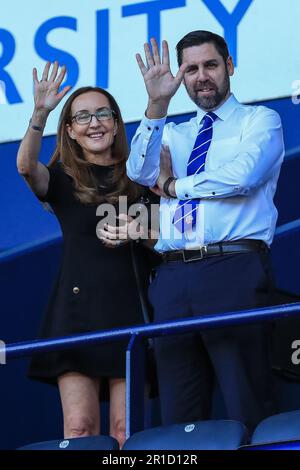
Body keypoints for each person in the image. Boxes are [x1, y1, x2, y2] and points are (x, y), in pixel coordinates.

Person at [126, 30, 284, 432]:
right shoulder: (174, 134)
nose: (201, 76)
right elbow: (139, 172)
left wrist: (175, 186)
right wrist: (157, 105)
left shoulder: (260, 120)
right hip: (174, 277)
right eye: (190, 69)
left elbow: (241, 177)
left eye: (210, 65)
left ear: (229, 67)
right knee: (180, 417)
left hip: (233, 269)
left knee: (246, 403)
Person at [16, 61, 157, 447]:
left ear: (115, 122)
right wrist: (39, 113)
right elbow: (26, 168)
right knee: (78, 430)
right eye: (83, 117)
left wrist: (143, 232)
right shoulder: (61, 177)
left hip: (132, 310)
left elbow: (169, 235)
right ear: (71, 132)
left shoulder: (143, 173)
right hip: (75, 315)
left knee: (126, 432)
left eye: (102, 114)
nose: (94, 123)